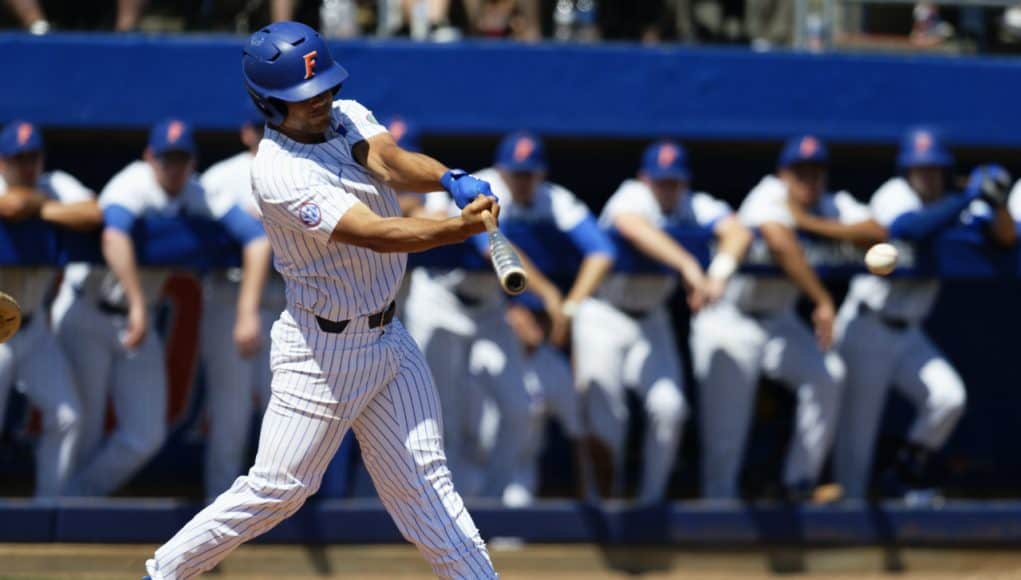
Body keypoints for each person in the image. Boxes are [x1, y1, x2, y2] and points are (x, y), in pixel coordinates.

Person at [145, 21, 501, 579]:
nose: (319, 101)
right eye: (303, 96)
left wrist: (451, 178)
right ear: (267, 103)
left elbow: (388, 160)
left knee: (425, 483)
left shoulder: (347, 113)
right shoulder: (278, 172)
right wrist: (456, 230)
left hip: (388, 337)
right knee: (278, 491)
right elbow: (373, 231)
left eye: (322, 88)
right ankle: (163, 572)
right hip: (322, 354)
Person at [53, 118, 270, 497]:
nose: (173, 168)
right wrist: (137, 303)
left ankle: (74, 501)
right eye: (166, 158)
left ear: (192, 162)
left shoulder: (197, 191)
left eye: (181, 159)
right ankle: (55, 516)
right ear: (149, 157)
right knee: (81, 427)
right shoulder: (132, 182)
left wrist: (246, 310)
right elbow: (114, 234)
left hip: (138, 319)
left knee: (145, 435)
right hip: (88, 310)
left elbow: (256, 240)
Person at [403, 131, 614, 503]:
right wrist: (549, 296)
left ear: (541, 173)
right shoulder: (483, 188)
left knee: (521, 405)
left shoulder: (553, 198)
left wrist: (569, 306)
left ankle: (497, 503)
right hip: (440, 299)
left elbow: (601, 250)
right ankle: (435, 507)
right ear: (502, 170)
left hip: (489, 308)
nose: (522, 181)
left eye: (529, 173)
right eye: (515, 173)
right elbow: (494, 250)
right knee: (441, 413)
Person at [691, 135, 880, 501]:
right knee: (726, 433)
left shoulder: (829, 204)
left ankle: (798, 483)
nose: (808, 181)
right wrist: (822, 299)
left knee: (828, 376)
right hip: (730, 318)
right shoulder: (767, 194)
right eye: (800, 173)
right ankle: (718, 513)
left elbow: (877, 231)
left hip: (779, 319)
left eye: (815, 173)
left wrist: (812, 223)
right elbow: (780, 241)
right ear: (783, 174)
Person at [833, 129, 1016, 501]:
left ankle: (901, 475)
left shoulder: (953, 202)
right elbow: (908, 229)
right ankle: (843, 525)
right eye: (919, 170)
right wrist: (966, 196)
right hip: (866, 325)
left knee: (948, 397)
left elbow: (1007, 239)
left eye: (933, 170)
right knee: (857, 442)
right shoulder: (894, 194)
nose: (926, 177)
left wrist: (996, 201)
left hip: (909, 333)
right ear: (907, 171)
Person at [574, 140, 751, 504]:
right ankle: (602, 504)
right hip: (604, 313)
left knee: (670, 407)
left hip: (651, 318)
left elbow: (739, 233)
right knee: (606, 410)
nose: (667, 190)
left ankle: (650, 505)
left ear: (685, 182)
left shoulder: (695, 204)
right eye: (660, 182)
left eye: (674, 182)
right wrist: (687, 264)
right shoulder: (631, 196)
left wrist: (719, 272)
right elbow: (632, 226)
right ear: (645, 178)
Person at [0, 121, 101, 498]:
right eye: (17, 159)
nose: (26, 167)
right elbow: (10, 205)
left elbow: (93, 212)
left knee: (67, 418)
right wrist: (40, 205)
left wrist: (41, 205)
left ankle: (48, 506)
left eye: (32, 158)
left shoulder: (53, 184)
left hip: (33, 326)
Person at [197, 111, 277, 500]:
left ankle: (274, 516)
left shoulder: (307, 170)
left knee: (287, 421)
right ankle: (217, 516)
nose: (268, 133)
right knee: (230, 416)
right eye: (261, 127)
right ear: (245, 131)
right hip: (232, 298)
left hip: (288, 301)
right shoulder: (220, 177)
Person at [501, 293, 583, 505]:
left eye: (545, 316)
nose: (540, 323)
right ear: (511, 313)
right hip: (466, 465)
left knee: (511, 524)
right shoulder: (482, 350)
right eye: (533, 314)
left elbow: (577, 432)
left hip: (517, 473)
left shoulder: (554, 365)